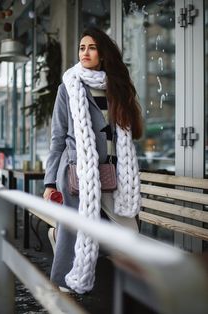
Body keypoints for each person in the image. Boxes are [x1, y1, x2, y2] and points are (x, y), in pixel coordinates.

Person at [43, 27, 143, 294]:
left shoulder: (116, 88)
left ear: (103, 53)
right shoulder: (69, 88)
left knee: (128, 232)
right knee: (75, 230)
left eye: (91, 47)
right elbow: (58, 137)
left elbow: (130, 132)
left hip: (114, 172)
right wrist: (50, 181)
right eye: (81, 48)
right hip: (78, 172)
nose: (85, 53)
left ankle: (74, 253)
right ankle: (63, 291)